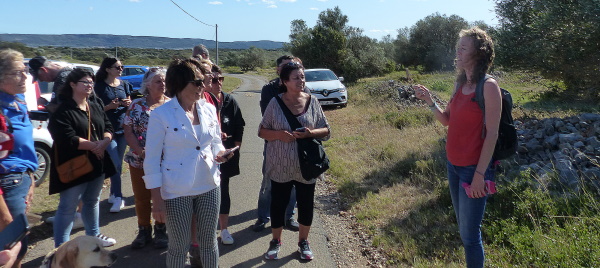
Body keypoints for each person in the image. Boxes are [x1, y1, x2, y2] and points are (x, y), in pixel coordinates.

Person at [414, 27, 501, 268]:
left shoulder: (489, 87)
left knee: (471, 237)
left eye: (463, 47)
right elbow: (446, 120)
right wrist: (429, 100)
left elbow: (492, 134)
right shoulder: (460, 83)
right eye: (457, 47)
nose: (457, 52)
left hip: (474, 170)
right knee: (465, 232)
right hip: (453, 166)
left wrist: (479, 176)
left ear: (478, 53)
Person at [144, 58, 231, 268]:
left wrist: (222, 153)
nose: (204, 87)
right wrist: (157, 199)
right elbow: (152, 159)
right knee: (179, 245)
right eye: (198, 82)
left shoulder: (208, 109)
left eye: (204, 81)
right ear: (182, 84)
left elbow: (215, 142)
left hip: (209, 183)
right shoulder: (160, 114)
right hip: (177, 189)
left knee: (209, 241)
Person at [259, 62, 330, 260]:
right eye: (296, 78)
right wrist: (279, 135)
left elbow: (326, 130)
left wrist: (310, 133)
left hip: (306, 167)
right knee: (278, 205)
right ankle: (275, 241)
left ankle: (303, 242)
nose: (301, 81)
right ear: (284, 81)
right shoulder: (275, 103)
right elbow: (261, 131)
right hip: (280, 166)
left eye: (302, 77)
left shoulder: (313, 101)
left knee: (306, 205)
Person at [47, 68, 117, 248]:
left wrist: (104, 142)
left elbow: (108, 126)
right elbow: (65, 137)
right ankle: (61, 247)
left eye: (91, 82)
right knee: (67, 207)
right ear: (72, 84)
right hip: (74, 164)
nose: (89, 85)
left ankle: (94, 237)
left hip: (97, 162)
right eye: (85, 82)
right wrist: (95, 146)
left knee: (92, 201)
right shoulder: (64, 110)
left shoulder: (95, 105)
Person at [254, 55, 307, 232]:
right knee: (269, 183)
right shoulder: (269, 89)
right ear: (279, 71)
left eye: (295, 66)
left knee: (293, 185)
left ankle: (288, 217)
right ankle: (262, 217)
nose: (291, 68)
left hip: (297, 147)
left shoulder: (306, 91)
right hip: (275, 144)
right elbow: (267, 120)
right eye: (286, 66)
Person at [123, 68, 170, 249]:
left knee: (163, 196)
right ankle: (143, 230)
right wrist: (141, 151)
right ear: (147, 85)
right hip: (139, 160)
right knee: (142, 198)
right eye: (158, 81)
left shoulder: (172, 105)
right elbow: (128, 131)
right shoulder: (136, 105)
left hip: (166, 162)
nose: (162, 84)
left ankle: (161, 229)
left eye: (164, 80)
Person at [0, 49, 38, 267]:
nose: (25, 76)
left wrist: (30, 177)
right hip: (7, 182)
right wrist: (4, 218)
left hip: (20, 177)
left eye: (26, 71)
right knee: (10, 247)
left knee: (19, 246)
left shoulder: (18, 100)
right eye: (18, 72)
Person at [206, 65, 245, 245]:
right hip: (206, 157)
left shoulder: (230, 101)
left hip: (226, 155)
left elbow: (239, 126)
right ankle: (205, 232)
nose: (219, 83)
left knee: (224, 191)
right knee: (205, 195)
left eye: (221, 79)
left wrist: (235, 149)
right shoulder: (202, 103)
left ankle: (224, 230)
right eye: (214, 80)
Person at [94, 57, 132, 213]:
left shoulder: (124, 84)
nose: (121, 69)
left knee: (118, 164)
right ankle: (118, 196)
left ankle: (112, 193)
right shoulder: (99, 87)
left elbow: (130, 101)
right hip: (107, 130)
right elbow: (95, 110)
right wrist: (110, 106)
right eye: (117, 67)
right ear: (108, 69)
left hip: (122, 128)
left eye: (122, 67)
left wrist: (127, 103)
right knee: (115, 163)